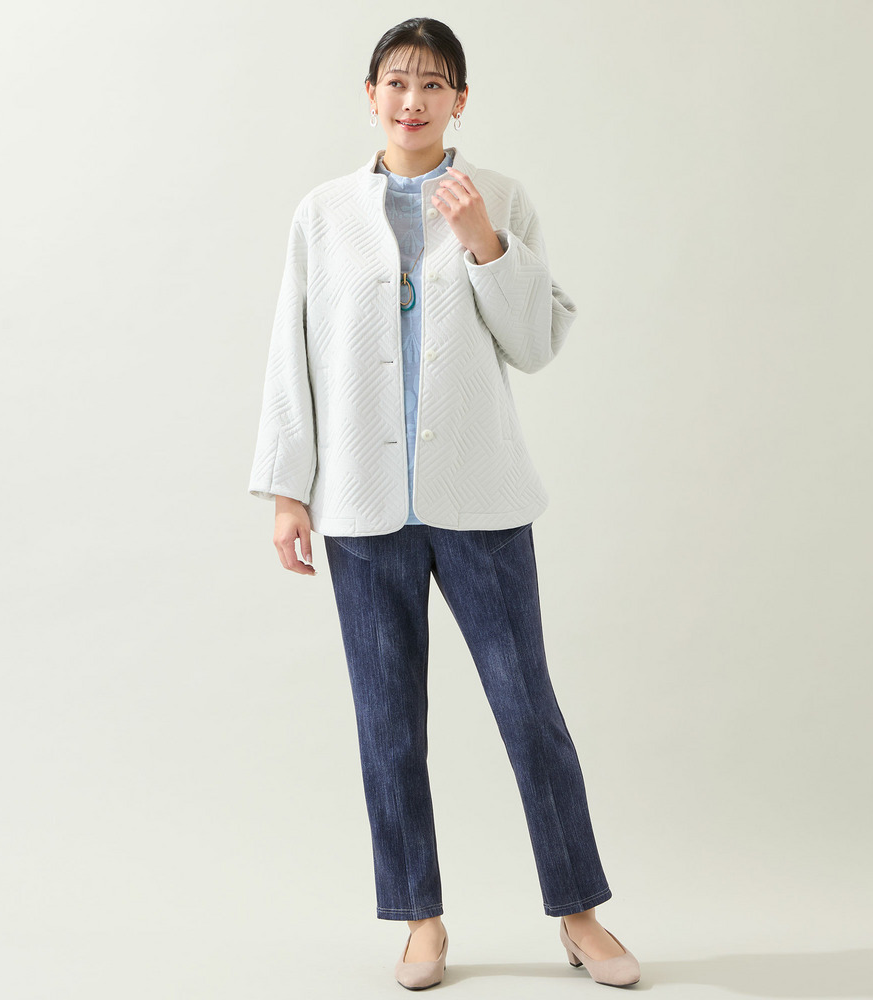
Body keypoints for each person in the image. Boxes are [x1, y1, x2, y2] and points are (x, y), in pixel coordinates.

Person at [247, 17, 641, 991]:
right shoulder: (322, 214)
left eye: (432, 83)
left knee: (528, 710)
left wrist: (484, 245)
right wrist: (288, 490)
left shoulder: (500, 199)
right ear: (370, 95)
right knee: (387, 724)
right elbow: (292, 350)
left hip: (481, 501)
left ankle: (580, 914)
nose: (412, 99)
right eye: (396, 81)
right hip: (362, 507)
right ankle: (419, 920)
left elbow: (534, 345)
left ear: (460, 99)